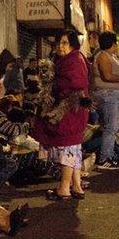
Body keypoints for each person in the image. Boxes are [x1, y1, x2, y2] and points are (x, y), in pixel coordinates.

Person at [34, 29, 90, 200]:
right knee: (74, 147)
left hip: (69, 110)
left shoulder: (74, 60)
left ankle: (64, 188)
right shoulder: (68, 59)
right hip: (72, 110)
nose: (60, 46)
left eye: (65, 42)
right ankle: (77, 186)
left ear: (73, 44)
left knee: (67, 147)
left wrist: (56, 91)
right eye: (58, 42)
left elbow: (76, 84)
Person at [89, 31, 119, 170]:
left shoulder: (110, 56)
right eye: (116, 43)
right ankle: (105, 158)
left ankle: (108, 155)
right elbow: (107, 76)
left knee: (110, 127)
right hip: (108, 94)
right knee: (110, 128)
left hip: (113, 94)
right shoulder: (102, 56)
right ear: (113, 43)